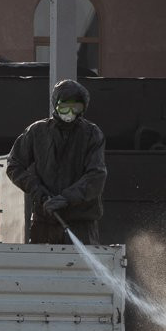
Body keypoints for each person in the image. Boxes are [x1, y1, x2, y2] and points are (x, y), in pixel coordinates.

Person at [6, 79, 107, 245]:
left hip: (81, 223)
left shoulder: (92, 134)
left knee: (81, 270)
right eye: (64, 106)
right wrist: (39, 192)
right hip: (44, 223)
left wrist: (67, 198)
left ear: (83, 108)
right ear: (55, 105)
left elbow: (96, 176)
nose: (70, 113)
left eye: (76, 108)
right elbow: (14, 165)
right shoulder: (37, 132)